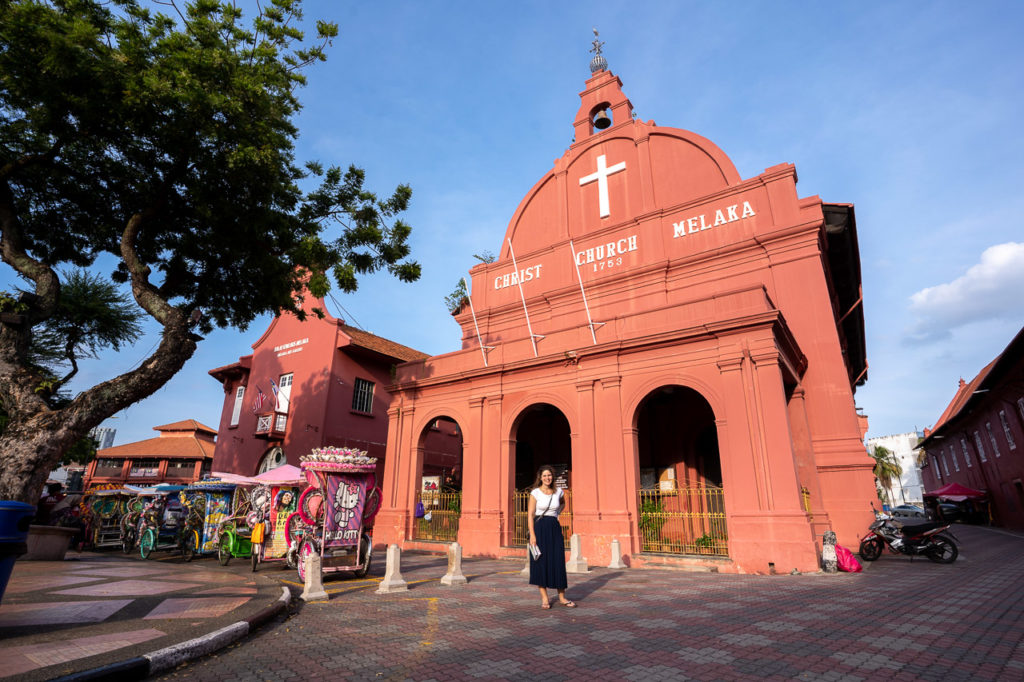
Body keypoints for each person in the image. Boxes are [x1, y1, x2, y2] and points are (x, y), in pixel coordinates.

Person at [528, 464, 576, 609]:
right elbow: (530, 514)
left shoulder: (559, 492)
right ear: (540, 478)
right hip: (539, 527)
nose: (547, 478)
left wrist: (556, 514)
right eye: (544, 476)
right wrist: (532, 535)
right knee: (540, 562)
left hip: (554, 527)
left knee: (557, 561)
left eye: (549, 475)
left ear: (552, 477)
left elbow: (562, 504)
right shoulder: (535, 493)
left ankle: (562, 597)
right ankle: (544, 598)